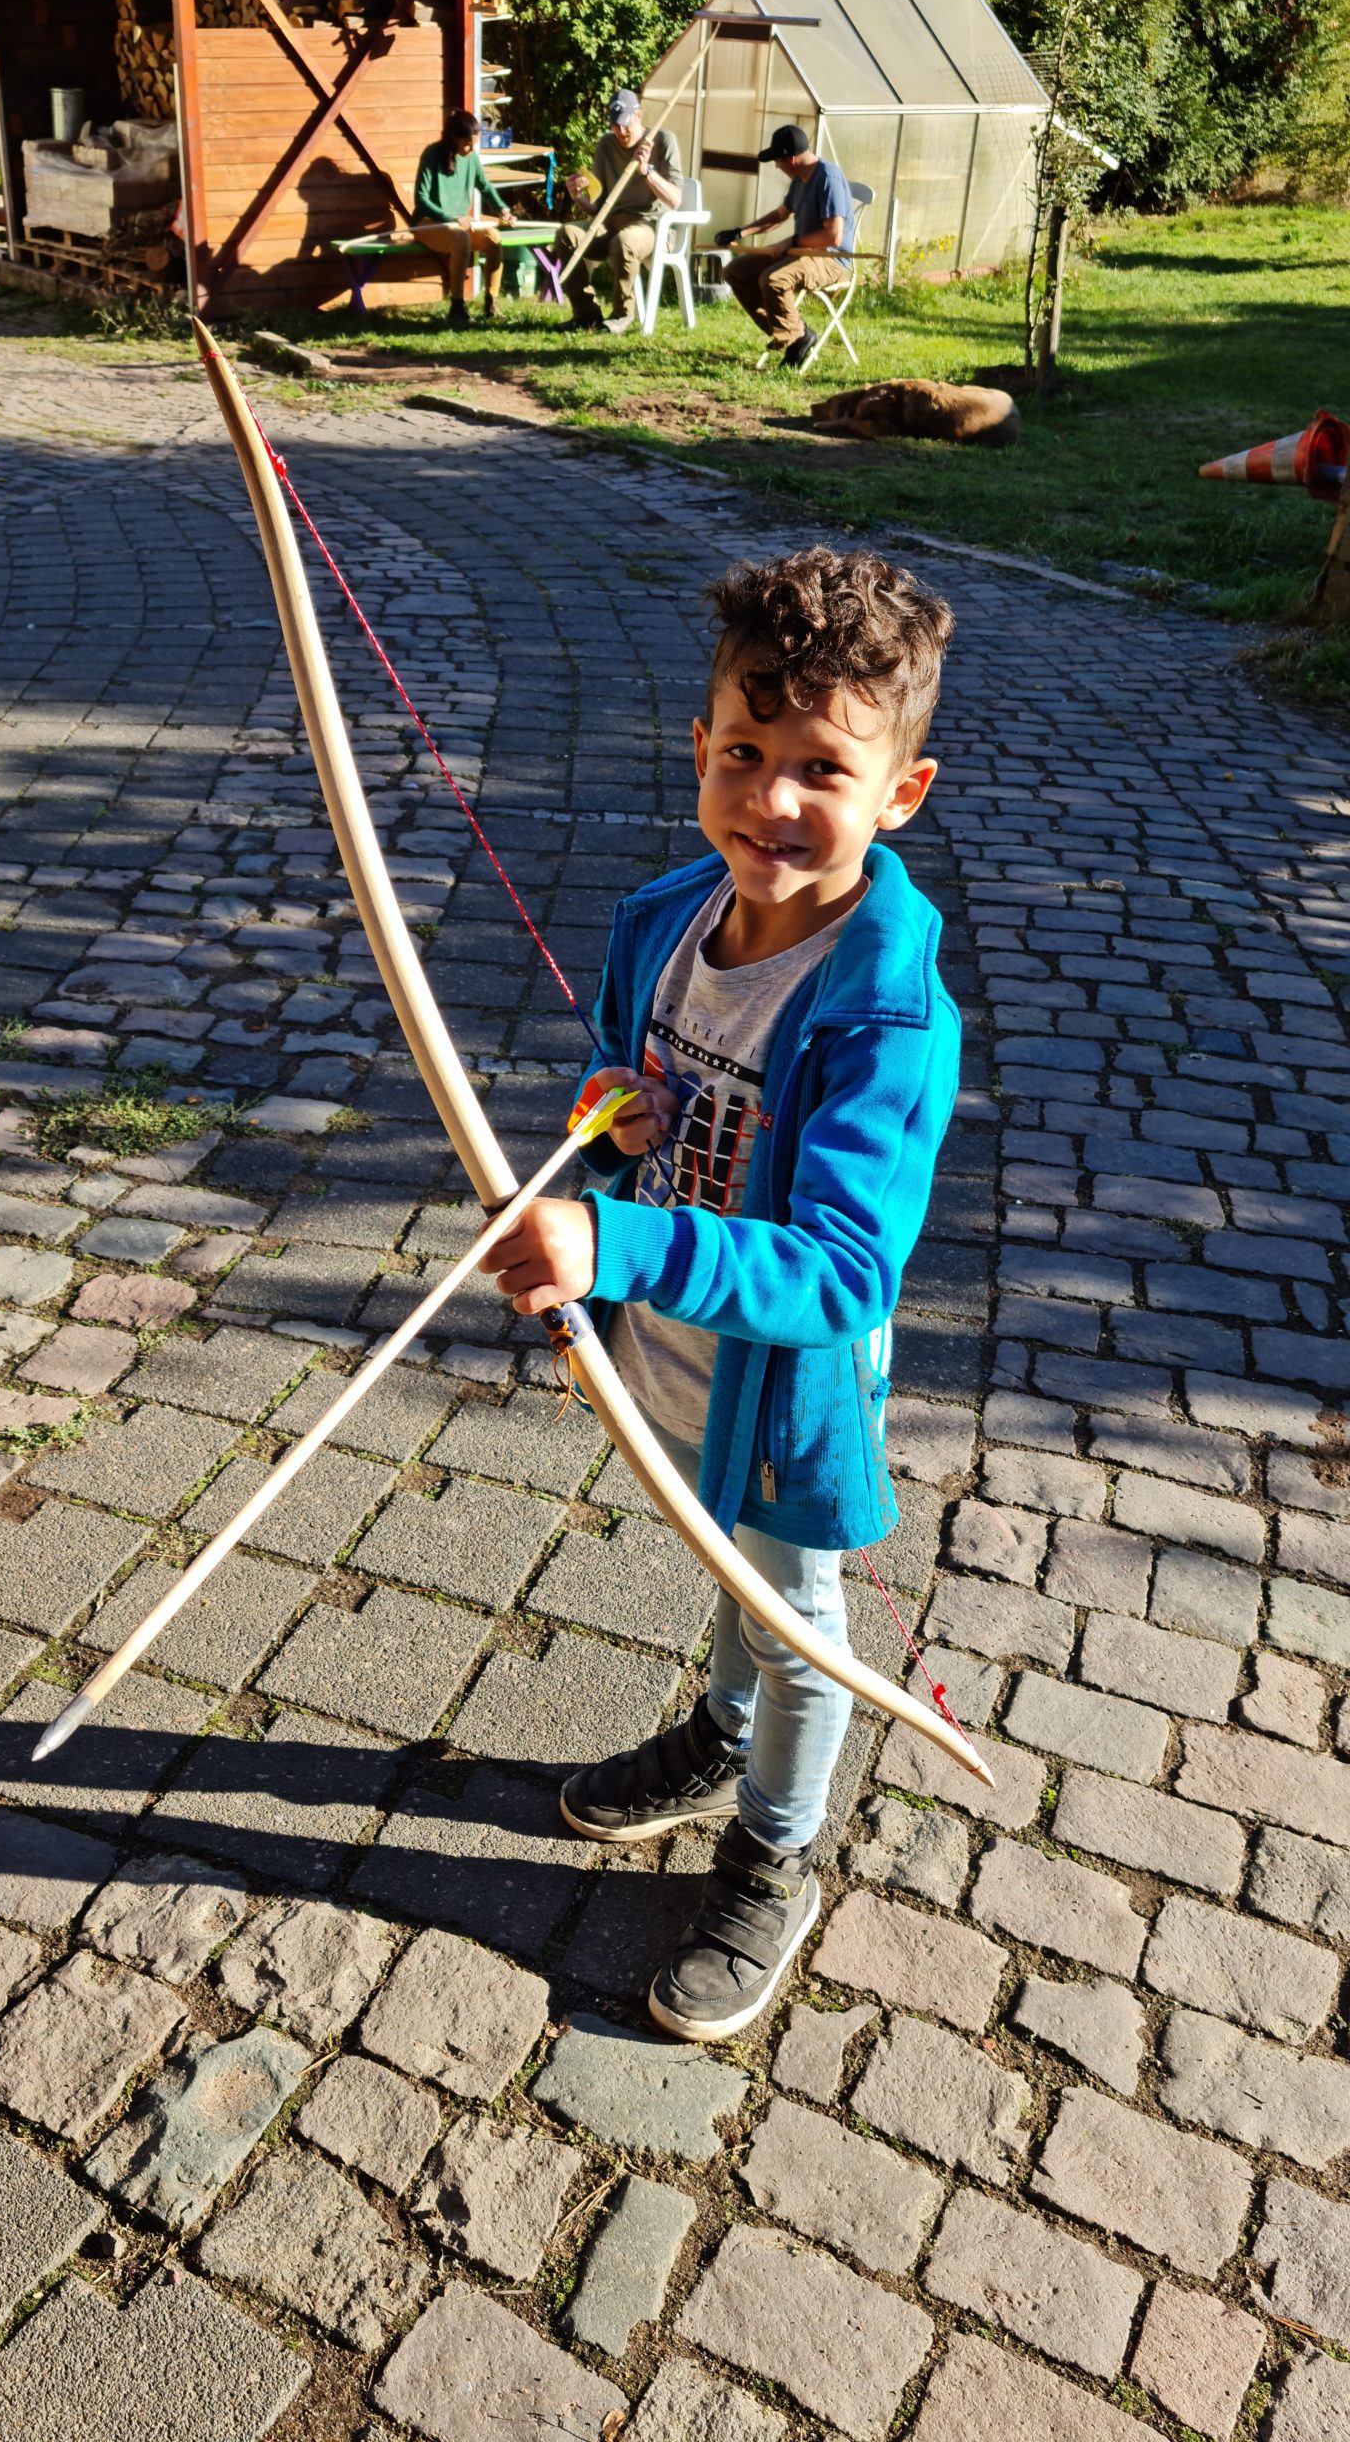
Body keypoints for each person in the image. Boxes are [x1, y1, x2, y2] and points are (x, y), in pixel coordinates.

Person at [478, 546, 958, 2043]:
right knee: (726, 1556)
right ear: (699, 753)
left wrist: (610, 1250)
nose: (772, 801)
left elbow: (843, 1268)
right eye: (744, 756)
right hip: (678, 1335)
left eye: (823, 767)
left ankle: (775, 1848)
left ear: (900, 796)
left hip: (793, 1364)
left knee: (794, 1600)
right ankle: (722, 1726)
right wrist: (615, 1129)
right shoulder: (667, 917)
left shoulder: (887, 1012)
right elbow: (652, 1088)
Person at [716, 126, 855, 370]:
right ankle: (795, 332)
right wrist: (740, 232)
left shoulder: (828, 178)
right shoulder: (800, 179)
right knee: (734, 271)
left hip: (831, 260)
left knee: (773, 279)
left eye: (777, 161)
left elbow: (833, 236)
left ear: (790, 159)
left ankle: (795, 337)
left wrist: (791, 242)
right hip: (801, 254)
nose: (776, 167)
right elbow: (780, 215)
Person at [557, 88, 683, 334]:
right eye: (615, 126)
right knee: (567, 234)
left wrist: (647, 171)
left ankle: (621, 315)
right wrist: (578, 197)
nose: (621, 132)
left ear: (639, 116)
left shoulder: (663, 140)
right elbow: (600, 204)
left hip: (650, 226)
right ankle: (585, 313)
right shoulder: (606, 145)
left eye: (626, 124)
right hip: (611, 222)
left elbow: (675, 199)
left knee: (624, 242)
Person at [413, 108, 515, 328]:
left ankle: (491, 302)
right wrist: (448, 217)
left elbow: (484, 186)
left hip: (458, 223)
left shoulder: (471, 158)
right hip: (428, 224)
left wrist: (502, 209)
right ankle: (457, 306)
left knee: (494, 237)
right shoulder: (432, 155)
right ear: (453, 139)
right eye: (467, 143)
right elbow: (420, 199)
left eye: (474, 143)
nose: (471, 148)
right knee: (461, 239)